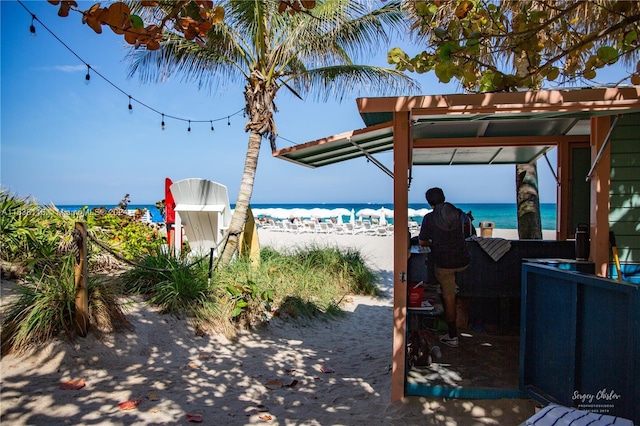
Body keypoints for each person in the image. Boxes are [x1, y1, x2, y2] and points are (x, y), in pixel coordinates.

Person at [418, 187, 470, 348]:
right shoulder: (459, 213)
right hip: (465, 261)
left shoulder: (429, 218)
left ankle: (452, 336)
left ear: (429, 202)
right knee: (451, 288)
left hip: (445, 265)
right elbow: (468, 232)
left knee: (449, 298)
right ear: (444, 197)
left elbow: (422, 242)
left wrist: (434, 241)